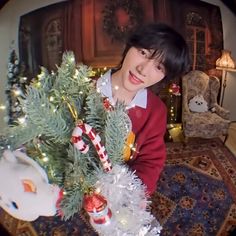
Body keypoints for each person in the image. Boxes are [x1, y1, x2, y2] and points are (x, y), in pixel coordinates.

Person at [96, 23, 189, 196]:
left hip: (120, 193)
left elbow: (150, 162)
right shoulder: (81, 88)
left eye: (159, 67)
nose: (143, 70)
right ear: (129, 46)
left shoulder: (156, 111)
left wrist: (129, 195)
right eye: (143, 53)